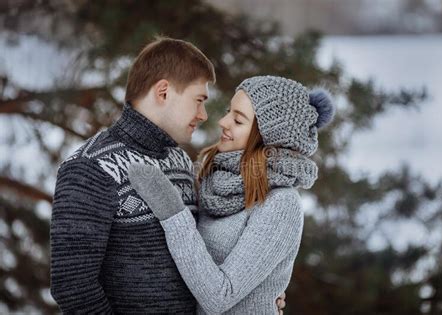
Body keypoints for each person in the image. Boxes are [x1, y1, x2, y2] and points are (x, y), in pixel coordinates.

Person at [128, 75, 335, 314]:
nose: (223, 121)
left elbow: (219, 297)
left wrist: (173, 213)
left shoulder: (281, 203)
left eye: (238, 120)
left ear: (266, 137)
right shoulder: (211, 177)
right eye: (229, 111)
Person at [50, 37, 215, 313]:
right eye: (199, 100)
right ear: (163, 92)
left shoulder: (181, 161)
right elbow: (73, 286)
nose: (204, 115)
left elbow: (202, 259)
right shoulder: (90, 168)